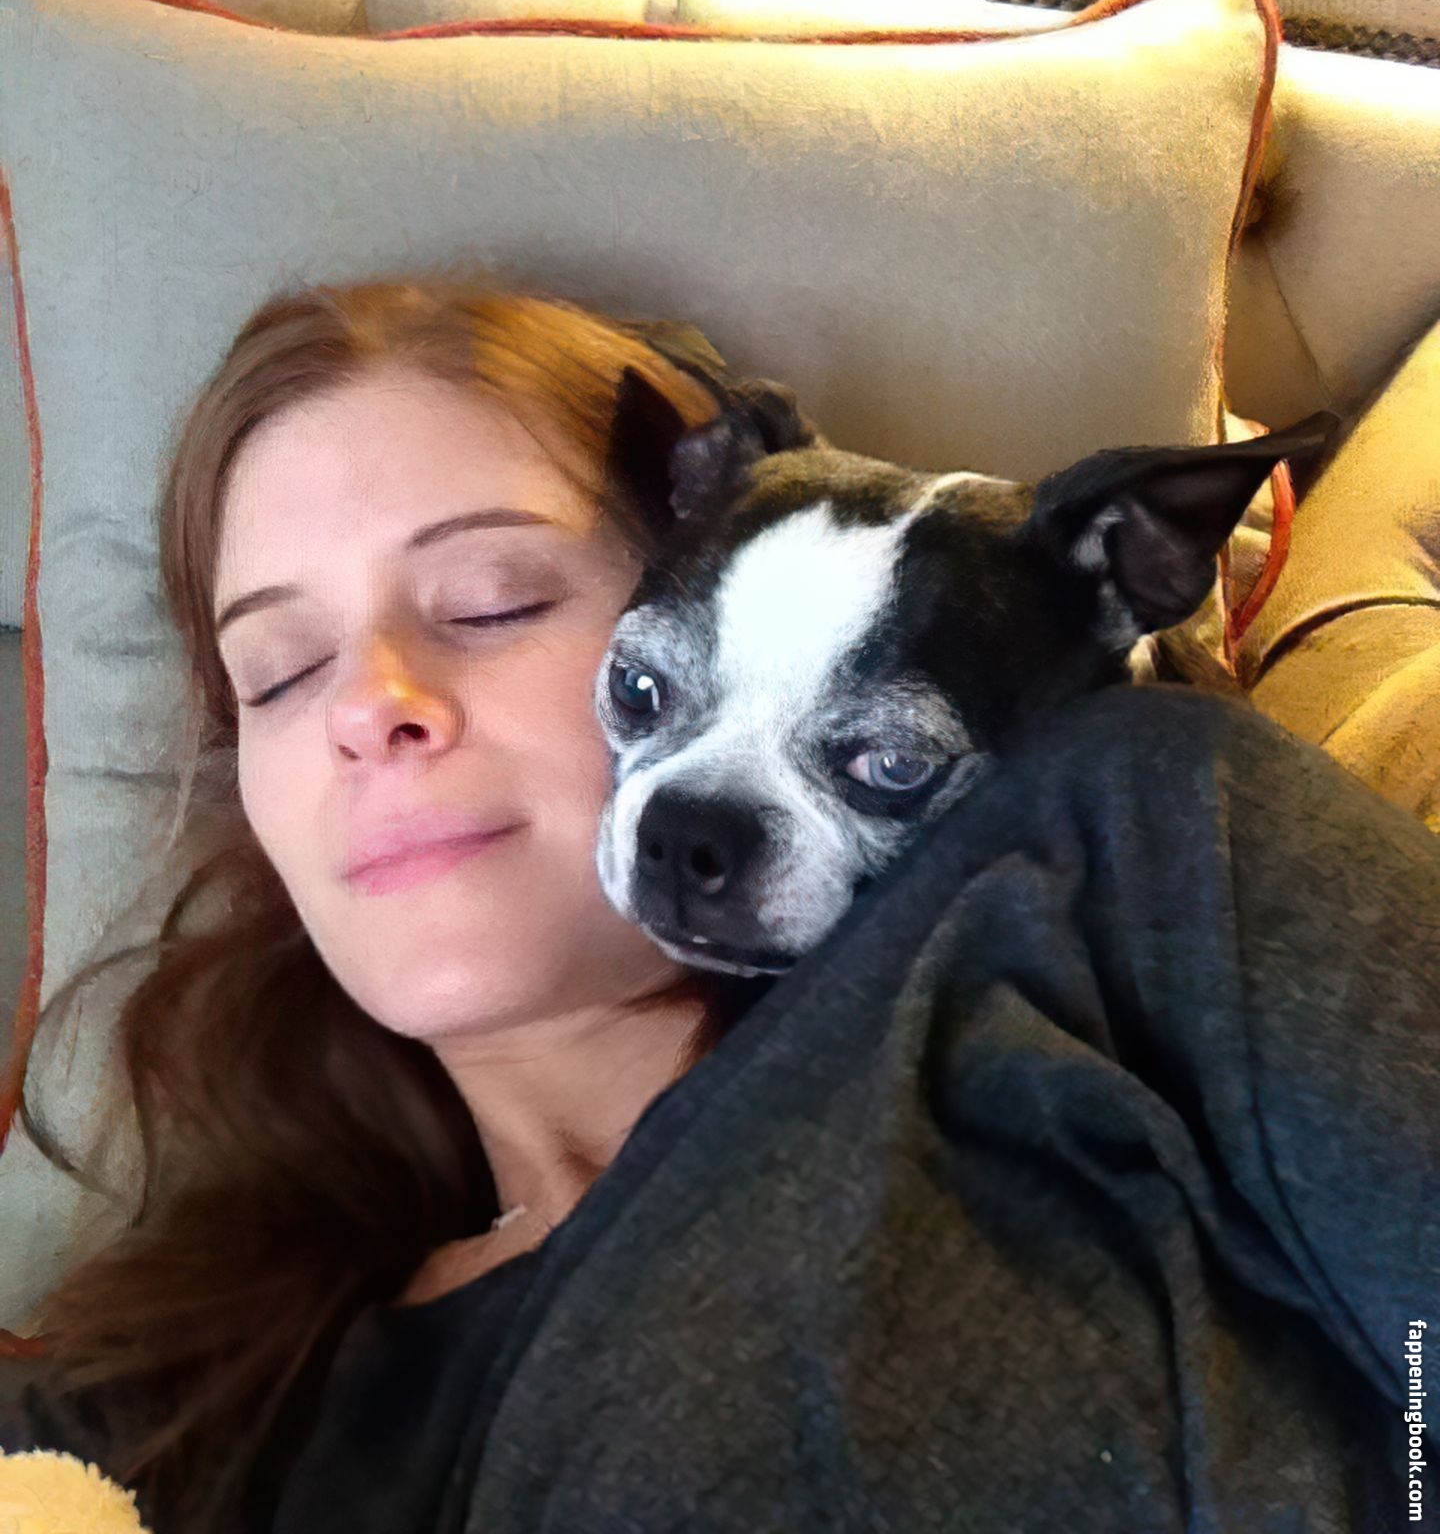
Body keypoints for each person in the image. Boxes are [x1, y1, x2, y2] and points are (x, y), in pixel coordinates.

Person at [2, 274, 1437, 1534]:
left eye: (493, 601)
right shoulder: (157, 1402)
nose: (368, 706)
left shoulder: (1131, 836)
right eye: (278, 672)